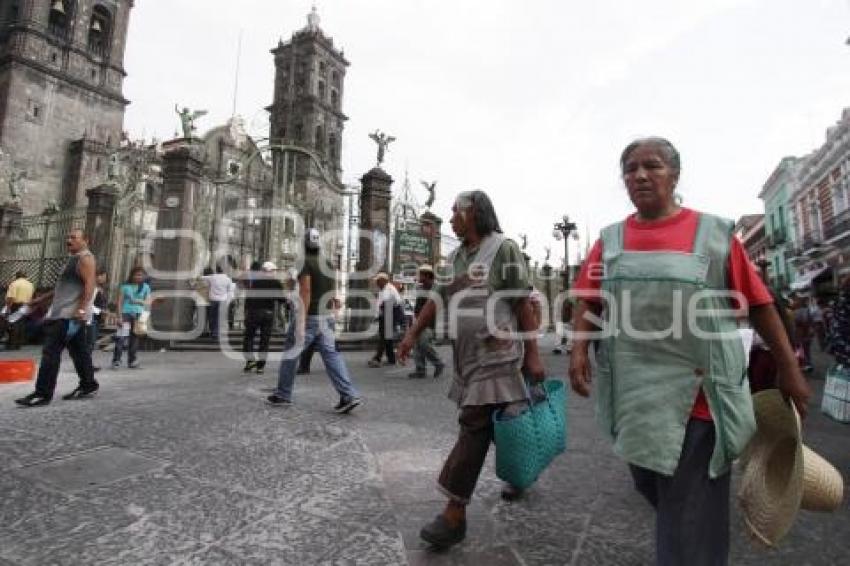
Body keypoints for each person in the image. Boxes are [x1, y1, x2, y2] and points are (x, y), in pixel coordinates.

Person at [568, 137, 811, 566]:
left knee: (684, 514)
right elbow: (590, 299)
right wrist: (578, 352)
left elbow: (759, 305)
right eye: (630, 168)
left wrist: (788, 368)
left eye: (653, 166)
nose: (640, 175)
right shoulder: (611, 240)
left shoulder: (715, 234)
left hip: (698, 399)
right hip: (635, 397)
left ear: (674, 175)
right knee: (656, 486)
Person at [398, 190, 545, 548]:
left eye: (455, 211)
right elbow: (437, 300)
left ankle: (454, 513)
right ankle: (521, 473)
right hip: (468, 361)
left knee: (474, 426)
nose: (450, 217)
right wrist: (412, 334)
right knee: (505, 424)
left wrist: (533, 354)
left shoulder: (503, 249)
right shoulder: (455, 257)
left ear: (474, 213)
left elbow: (521, 300)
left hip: (499, 356)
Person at [267, 228, 361, 413]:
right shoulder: (327, 261)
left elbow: (306, 292)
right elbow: (333, 285)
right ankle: (348, 395)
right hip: (326, 317)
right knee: (331, 355)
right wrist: (334, 304)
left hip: (310, 317)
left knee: (291, 354)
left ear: (304, 243)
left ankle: (283, 394)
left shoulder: (304, 262)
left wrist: (301, 323)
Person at [15, 229, 99, 407]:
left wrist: (82, 310)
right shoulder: (74, 259)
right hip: (66, 314)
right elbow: (61, 288)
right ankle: (88, 384)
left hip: (67, 315)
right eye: (67, 237)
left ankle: (42, 393)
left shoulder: (85, 258)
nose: (68, 240)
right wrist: (40, 300)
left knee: (50, 353)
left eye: (73, 237)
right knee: (79, 351)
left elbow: (90, 285)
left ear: (86, 240)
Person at [242, 261, 283, 375]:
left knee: (249, 337)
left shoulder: (255, 282)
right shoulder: (276, 282)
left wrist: (246, 312)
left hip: (253, 313)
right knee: (264, 340)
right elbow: (282, 299)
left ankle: (250, 361)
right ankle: (260, 367)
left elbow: (248, 298)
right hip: (268, 313)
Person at [407, 264, 445, 379]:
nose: (419, 277)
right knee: (417, 345)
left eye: (421, 274)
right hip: (419, 320)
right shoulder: (421, 288)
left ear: (427, 275)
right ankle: (420, 369)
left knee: (424, 343)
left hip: (431, 322)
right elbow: (418, 307)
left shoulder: (436, 288)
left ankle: (438, 363)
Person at [112, 267, 150, 369]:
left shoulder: (146, 287)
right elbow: (119, 302)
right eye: (136, 275)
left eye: (140, 275)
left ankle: (132, 360)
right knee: (121, 337)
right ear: (131, 275)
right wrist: (119, 316)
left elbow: (147, 302)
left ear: (144, 277)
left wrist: (137, 302)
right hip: (125, 314)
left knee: (135, 338)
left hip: (138, 314)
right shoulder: (125, 287)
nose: (138, 277)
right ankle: (116, 360)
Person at [367, 272, 402, 368]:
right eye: (377, 281)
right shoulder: (383, 289)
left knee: (384, 337)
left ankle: (377, 358)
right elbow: (380, 304)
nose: (377, 283)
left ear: (384, 280)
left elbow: (386, 303)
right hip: (386, 314)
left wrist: (380, 314)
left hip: (389, 314)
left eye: (378, 281)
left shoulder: (388, 289)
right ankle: (391, 359)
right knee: (387, 337)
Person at [4, 270, 34, 349]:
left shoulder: (14, 284)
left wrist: (7, 309)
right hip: (26, 305)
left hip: (16, 305)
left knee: (13, 324)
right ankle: (19, 343)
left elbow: (11, 298)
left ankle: (12, 344)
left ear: (17, 276)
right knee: (21, 324)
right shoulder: (30, 284)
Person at [202, 266, 233, 339]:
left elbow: (202, 277)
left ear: (217, 270)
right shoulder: (228, 279)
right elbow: (230, 291)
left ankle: (214, 332)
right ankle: (218, 332)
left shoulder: (212, 277)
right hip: (223, 300)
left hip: (213, 300)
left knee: (212, 317)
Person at [87, 268, 109, 371]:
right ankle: (85, 364)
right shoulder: (92, 288)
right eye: (101, 275)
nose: (103, 278)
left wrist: (104, 313)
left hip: (97, 318)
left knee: (92, 342)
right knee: (90, 342)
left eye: (104, 276)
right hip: (90, 317)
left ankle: (86, 363)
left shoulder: (101, 289)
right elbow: (88, 304)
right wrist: (101, 311)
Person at [793, 296, 814, 372]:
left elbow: (804, 322)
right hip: (804, 333)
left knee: (802, 349)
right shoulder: (807, 310)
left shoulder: (801, 311)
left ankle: (805, 365)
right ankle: (806, 364)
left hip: (802, 333)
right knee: (805, 350)